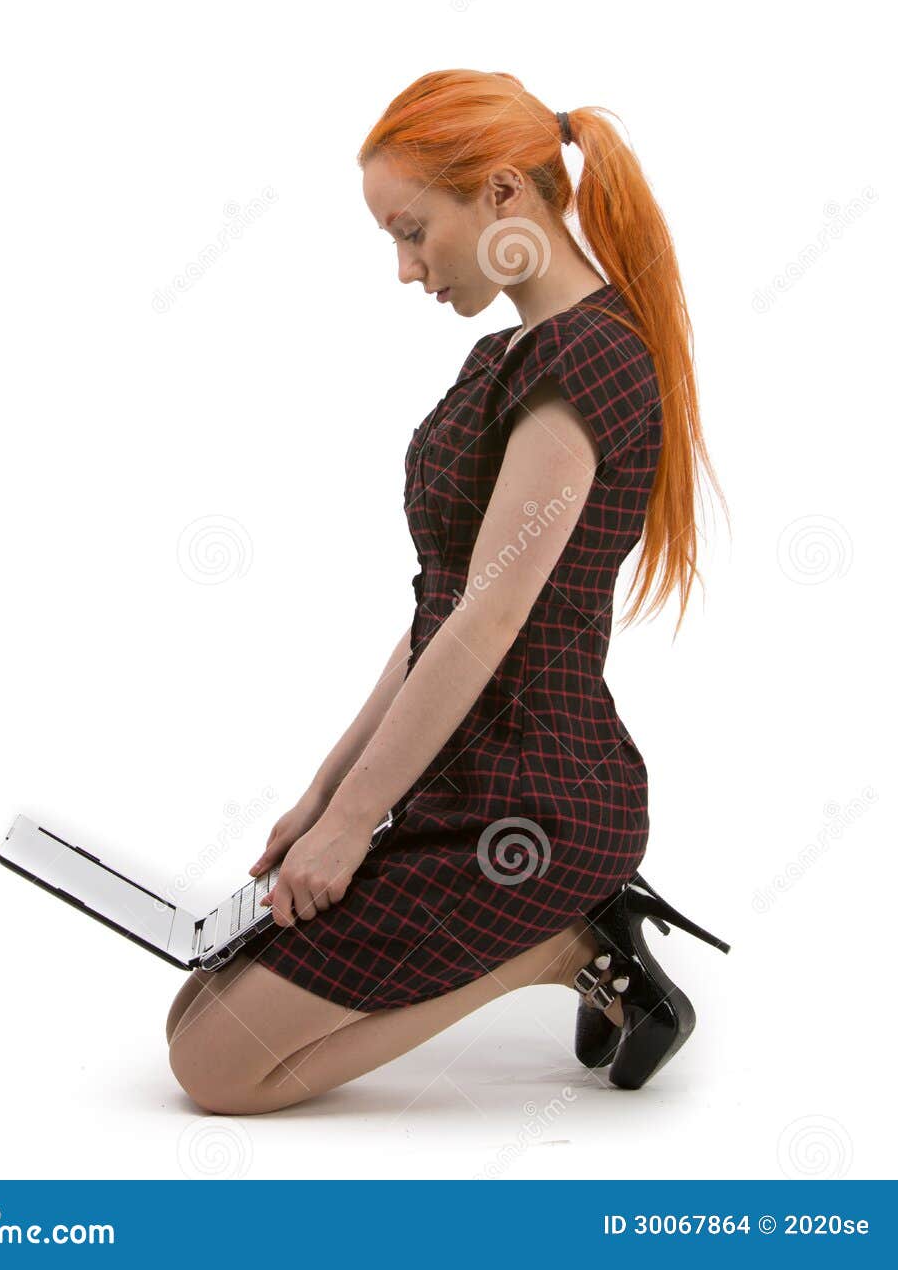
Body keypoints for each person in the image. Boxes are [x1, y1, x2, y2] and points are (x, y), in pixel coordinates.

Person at [167, 69, 731, 1115]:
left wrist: (353, 824)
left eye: (413, 230)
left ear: (504, 193)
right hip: (460, 783)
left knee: (216, 1070)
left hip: (536, 803)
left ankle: (561, 945)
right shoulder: (502, 356)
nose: (402, 266)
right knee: (195, 1013)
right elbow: (439, 610)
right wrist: (323, 797)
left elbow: (488, 620)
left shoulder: (583, 361)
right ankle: (560, 941)